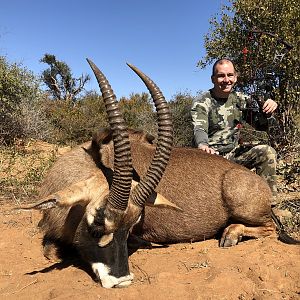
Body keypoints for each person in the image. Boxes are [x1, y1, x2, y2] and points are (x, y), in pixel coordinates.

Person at [191, 58, 278, 200]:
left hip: (233, 156)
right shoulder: (202, 101)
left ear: (235, 78)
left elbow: (261, 126)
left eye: (230, 75)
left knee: (267, 152)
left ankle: (268, 204)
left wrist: (268, 112)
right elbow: (199, 129)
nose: (226, 80)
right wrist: (203, 145)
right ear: (213, 79)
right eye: (221, 76)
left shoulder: (242, 99)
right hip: (209, 159)